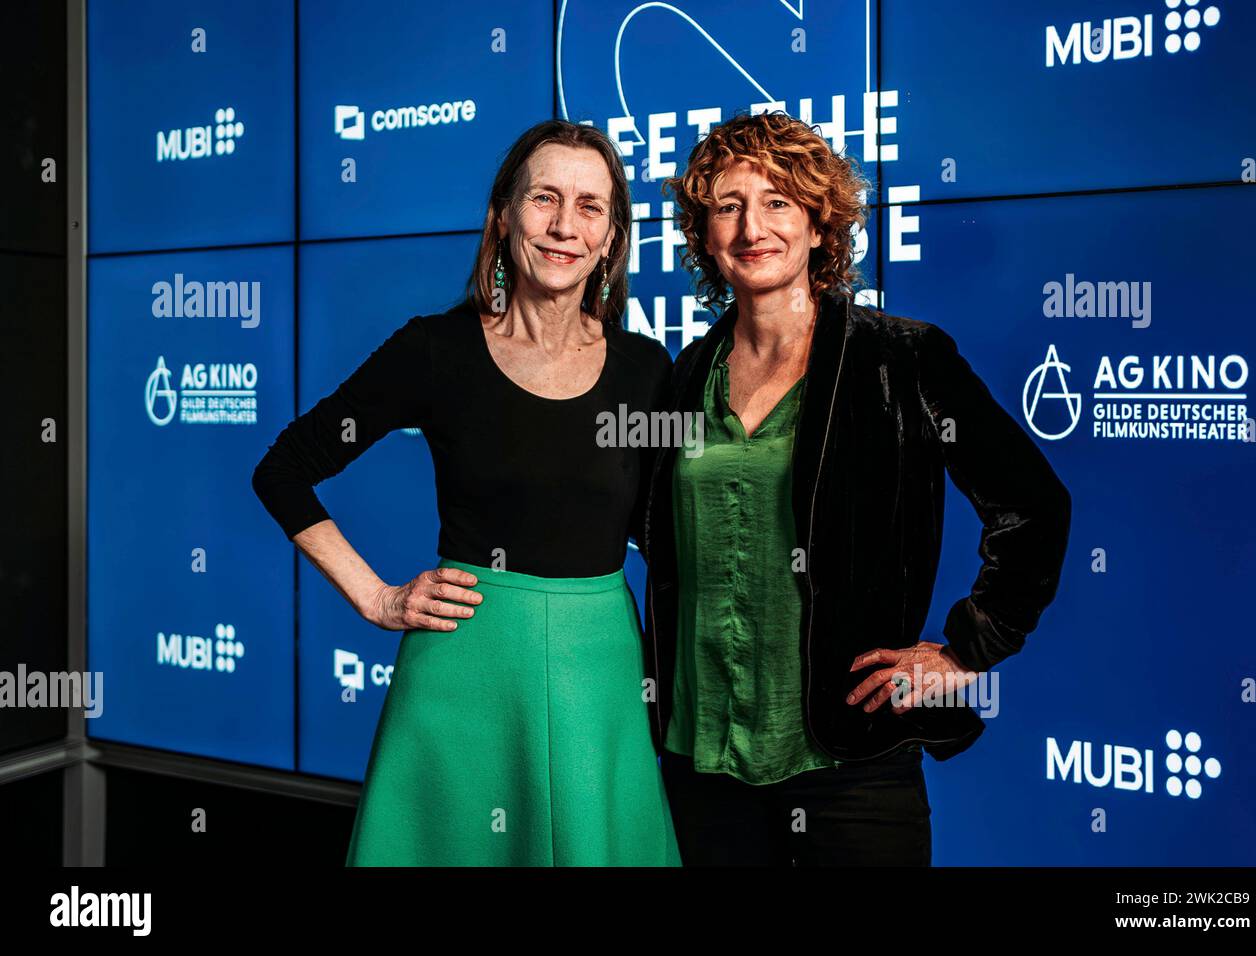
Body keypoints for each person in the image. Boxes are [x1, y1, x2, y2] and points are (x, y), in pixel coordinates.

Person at [642, 111, 1071, 866]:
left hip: (848, 768)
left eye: (778, 202)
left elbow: (1033, 505)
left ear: (818, 224)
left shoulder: (900, 359)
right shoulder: (681, 379)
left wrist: (969, 648)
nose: (753, 227)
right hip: (700, 762)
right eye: (728, 206)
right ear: (704, 235)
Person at [252, 119, 680, 866]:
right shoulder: (434, 350)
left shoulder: (648, 371)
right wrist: (376, 597)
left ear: (613, 238)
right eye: (543, 198)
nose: (563, 226)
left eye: (589, 206)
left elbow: (677, 530)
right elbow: (283, 470)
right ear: (504, 214)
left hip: (604, 673)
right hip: (464, 669)